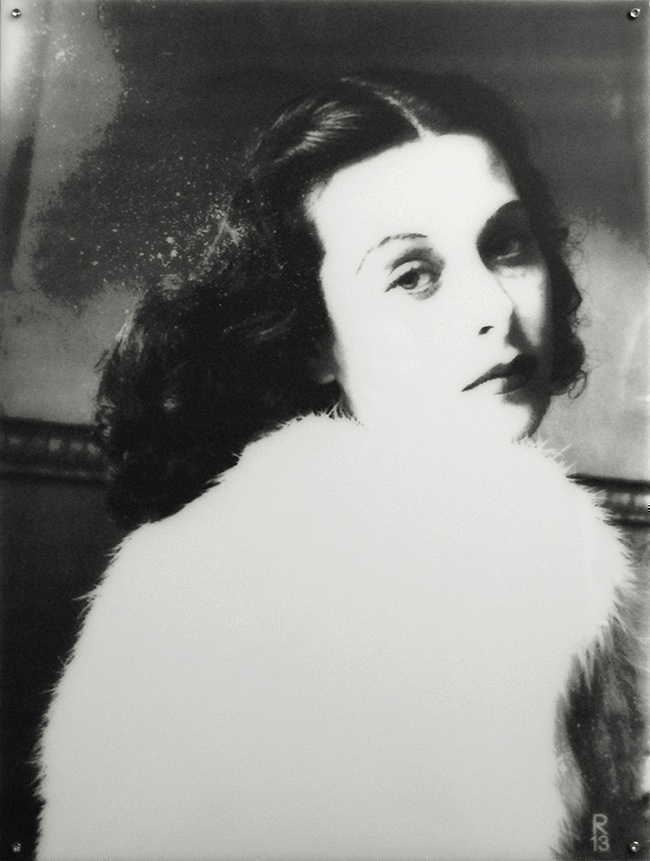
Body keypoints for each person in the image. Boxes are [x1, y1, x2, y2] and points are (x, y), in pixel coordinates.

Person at [35, 72, 648, 859]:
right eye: (413, 275)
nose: (494, 308)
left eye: (505, 245)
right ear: (314, 338)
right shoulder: (199, 596)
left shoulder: (573, 572)